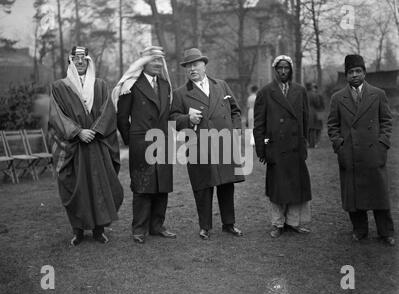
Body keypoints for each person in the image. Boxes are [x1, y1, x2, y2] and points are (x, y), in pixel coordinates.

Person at [48, 46, 124, 246]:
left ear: (89, 62)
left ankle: (99, 230)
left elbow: (108, 110)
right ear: (70, 62)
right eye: (76, 58)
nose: (80, 62)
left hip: (97, 146)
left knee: (100, 187)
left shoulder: (100, 85)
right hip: (74, 147)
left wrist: (95, 130)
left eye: (84, 58)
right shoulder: (59, 87)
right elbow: (56, 115)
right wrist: (78, 132)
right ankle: (78, 231)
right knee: (74, 188)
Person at [170, 48, 244, 240]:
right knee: (202, 187)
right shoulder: (180, 93)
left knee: (227, 185)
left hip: (224, 144)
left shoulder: (221, 85)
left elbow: (236, 111)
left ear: (204, 65)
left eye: (195, 64)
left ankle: (229, 224)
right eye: (188, 66)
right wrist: (187, 118)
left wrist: (236, 130)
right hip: (198, 147)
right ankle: (205, 226)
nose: (192, 69)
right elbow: (172, 120)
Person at [327, 54, 395, 246]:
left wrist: (383, 144)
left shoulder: (378, 94)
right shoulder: (338, 98)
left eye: (358, 71)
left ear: (364, 73)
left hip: (374, 153)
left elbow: (386, 121)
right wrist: (339, 146)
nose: (354, 75)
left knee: (379, 195)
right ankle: (359, 229)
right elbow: (332, 126)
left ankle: (386, 232)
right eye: (350, 72)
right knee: (354, 197)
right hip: (350, 154)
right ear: (346, 75)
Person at [114, 46, 175, 244]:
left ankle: (157, 226)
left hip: (164, 141)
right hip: (142, 142)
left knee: (162, 185)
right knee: (142, 186)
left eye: (160, 61)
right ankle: (139, 229)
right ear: (144, 62)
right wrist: (133, 140)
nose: (158, 64)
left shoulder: (166, 85)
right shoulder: (131, 84)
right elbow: (122, 118)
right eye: (154, 60)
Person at [253, 55, 312, 238]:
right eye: (280, 68)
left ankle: (293, 222)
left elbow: (305, 119)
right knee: (277, 187)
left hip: (295, 146)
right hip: (275, 147)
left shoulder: (300, 91)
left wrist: (303, 143)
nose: (283, 71)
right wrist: (262, 148)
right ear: (275, 70)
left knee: (296, 186)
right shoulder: (265, 92)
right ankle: (277, 224)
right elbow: (259, 124)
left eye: (286, 68)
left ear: (291, 70)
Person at [306, 82, 324, 148]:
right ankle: (314, 143)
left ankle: (309, 142)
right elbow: (318, 104)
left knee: (308, 128)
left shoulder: (304, 94)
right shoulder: (315, 95)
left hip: (306, 112)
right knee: (316, 128)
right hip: (315, 113)